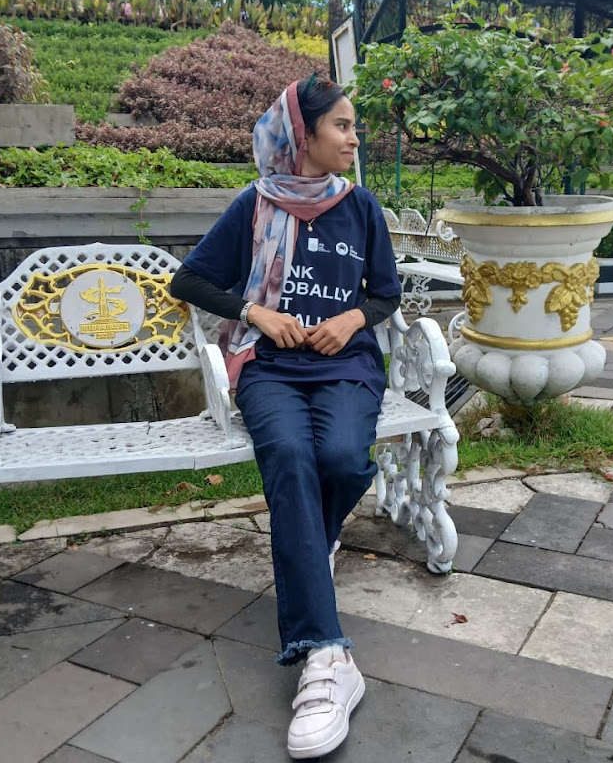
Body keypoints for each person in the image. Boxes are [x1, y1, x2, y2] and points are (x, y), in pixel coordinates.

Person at [169, 74, 401, 759]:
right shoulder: (255, 203)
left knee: (342, 461)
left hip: (345, 365)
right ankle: (325, 658)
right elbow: (189, 279)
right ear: (304, 134)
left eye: (354, 127)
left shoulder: (361, 206)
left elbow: (385, 292)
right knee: (293, 459)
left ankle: (309, 543)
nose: (354, 139)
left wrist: (351, 319)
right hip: (268, 365)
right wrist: (257, 312)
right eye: (342, 127)